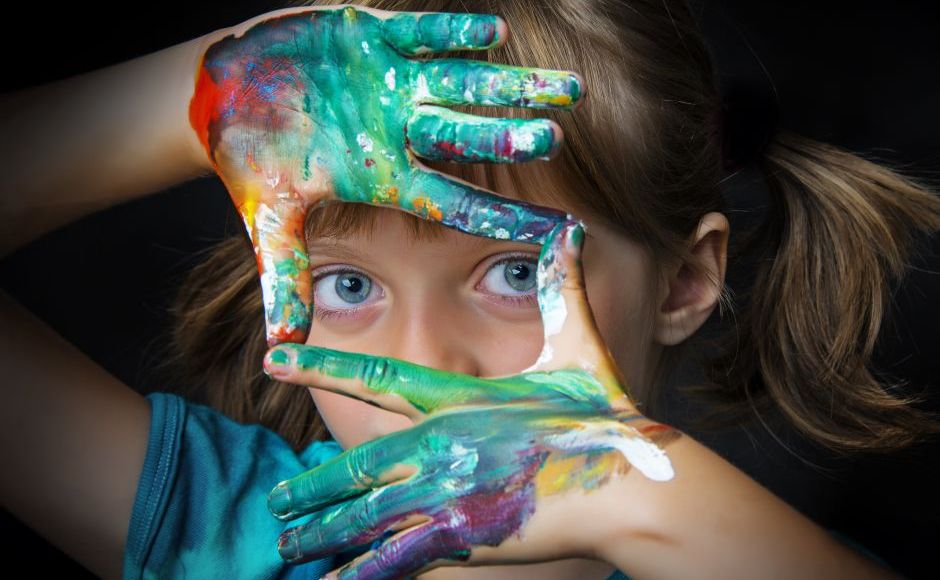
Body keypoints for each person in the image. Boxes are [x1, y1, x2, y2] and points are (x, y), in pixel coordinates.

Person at [1, 2, 937, 580]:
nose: (423, 361)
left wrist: (638, 491)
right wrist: (216, 93)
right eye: (350, 282)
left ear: (684, 282)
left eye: (515, 272)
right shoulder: (230, 536)